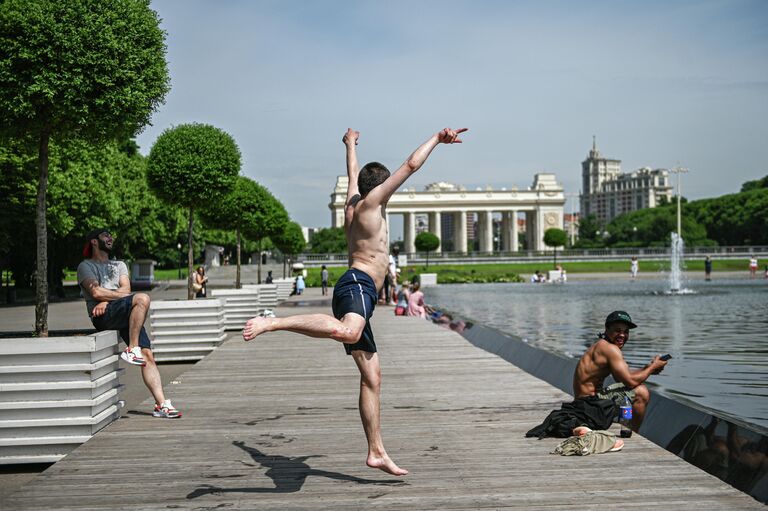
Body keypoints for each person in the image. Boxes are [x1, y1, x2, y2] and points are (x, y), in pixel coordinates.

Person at [242, 126, 467, 476]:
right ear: (379, 187)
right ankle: (272, 322)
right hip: (359, 285)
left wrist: (350, 144)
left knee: (372, 377)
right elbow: (410, 165)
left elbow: (352, 173)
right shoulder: (374, 203)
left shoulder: (353, 204)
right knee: (348, 332)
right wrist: (437, 140)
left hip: (353, 286)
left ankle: (376, 451)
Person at [77, 229, 181, 419]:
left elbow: (126, 288)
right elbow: (96, 292)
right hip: (102, 317)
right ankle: (132, 348)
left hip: (123, 312)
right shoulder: (85, 266)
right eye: (105, 236)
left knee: (148, 354)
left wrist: (107, 300)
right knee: (142, 299)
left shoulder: (119, 265)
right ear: (93, 241)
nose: (110, 238)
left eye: (111, 236)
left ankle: (161, 405)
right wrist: (104, 299)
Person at [572, 311, 667, 431]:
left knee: (635, 388)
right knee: (641, 392)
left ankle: (626, 428)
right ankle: (633, 433)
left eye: (626, 332)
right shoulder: (610, 349)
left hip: (584, 403)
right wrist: (652, 368)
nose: (622, 335)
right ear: (607, 329)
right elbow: (630, 382)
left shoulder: (602, 345)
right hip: (589, 407)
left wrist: (648, 368)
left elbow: (621, 377)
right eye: (618, 330)